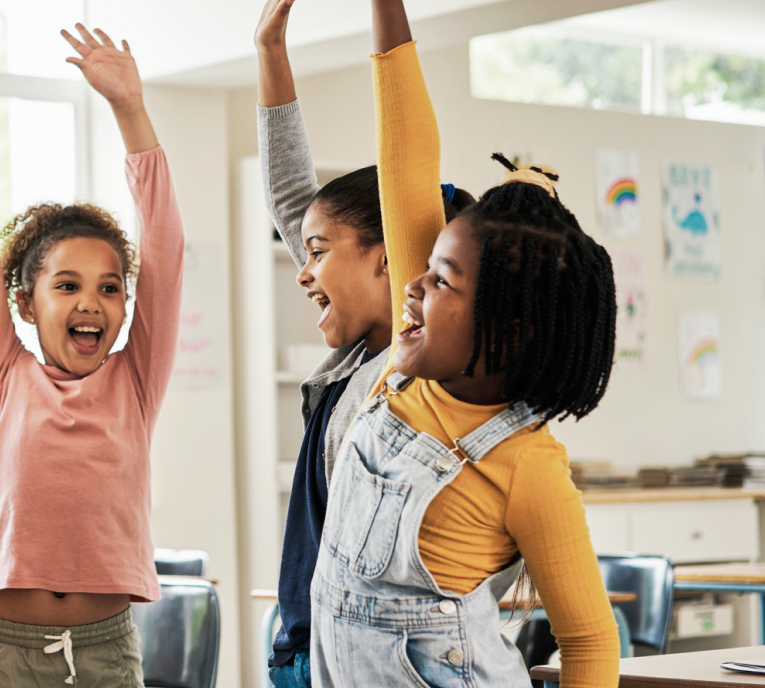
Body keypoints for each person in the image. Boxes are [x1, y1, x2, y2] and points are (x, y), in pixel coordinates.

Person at [306, 1, 622, 686]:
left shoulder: (527, 466)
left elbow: (592, 641)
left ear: (509, 329)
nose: (411, 287)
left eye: (442, 281)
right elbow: (406, 156)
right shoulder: (409, 372)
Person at [0, 4, 184, 684]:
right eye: (66, 286)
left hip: (106, 647)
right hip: (5, 646)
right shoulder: (6, 374)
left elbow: (166, 247)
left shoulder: (136, 381)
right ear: (24, 305)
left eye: (109, 287)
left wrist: (131, 111)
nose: (91, 302)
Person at [253, 2, 474, 685]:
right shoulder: (352, 364)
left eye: (318, 252)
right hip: (306, 644)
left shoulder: (414, 371)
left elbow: (407, 165)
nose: (304, 269)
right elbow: (292, 197)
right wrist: (269, 51)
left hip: (375, 660)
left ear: (391, 259)